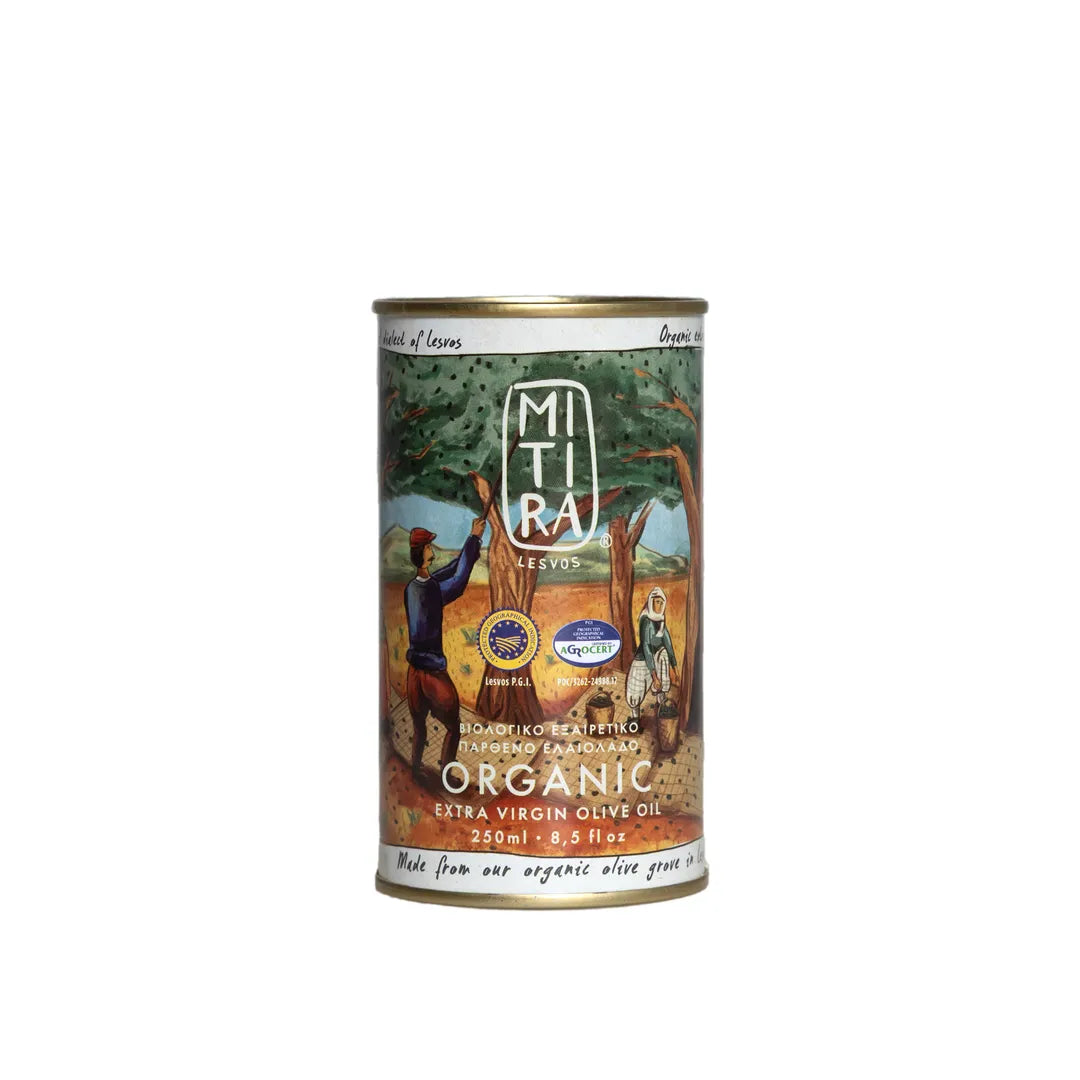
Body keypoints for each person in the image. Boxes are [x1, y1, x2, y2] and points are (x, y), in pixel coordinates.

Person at [404, 517, 486, 780]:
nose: (432, 549)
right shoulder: (430, 591)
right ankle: (447, 775)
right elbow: (458, 581)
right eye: (429, 546)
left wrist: (470, 548)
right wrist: (474, 538)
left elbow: (449, 570)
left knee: (419, 727)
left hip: (413, 673)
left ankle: (415, 770)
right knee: (454, 726)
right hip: (433, 674)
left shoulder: (412, 587)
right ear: (423, 553)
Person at [626, 585, 678, 722]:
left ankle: (662, 705)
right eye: (657, 602)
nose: (659, 605)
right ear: (651, 602)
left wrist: (675, 667)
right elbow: (646, 647)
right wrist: (654, 676)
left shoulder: (661, 620)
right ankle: (635, 719)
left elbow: (667, 642)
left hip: (657, 657)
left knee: (663, 655)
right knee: (636, 688)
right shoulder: (646, 620)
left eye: (661, 602)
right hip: (643, 658)